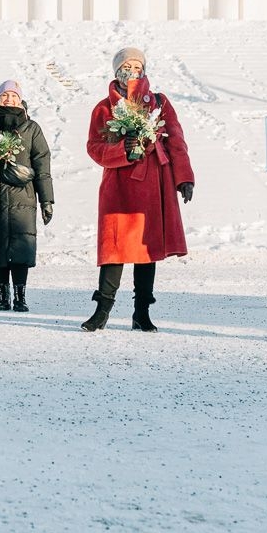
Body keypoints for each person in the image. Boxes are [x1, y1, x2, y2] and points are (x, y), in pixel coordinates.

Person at [81, 48, 196, 332]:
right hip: (118, 186)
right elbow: (94, 147)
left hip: (154, 183)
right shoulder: (104, 107)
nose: (132, 70)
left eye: (137, 65)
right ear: (116, 70)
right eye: (126, 65)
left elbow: (176, 142)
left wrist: (184, 178)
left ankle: (141, 313)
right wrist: (124, 150)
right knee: (114, 248)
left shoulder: (159, 102)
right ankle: (102, 310)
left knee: (147, 248)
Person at [0, 80, 54, 313]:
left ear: (20, 100)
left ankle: (20, 297)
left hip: (22, 197)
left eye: (13, 96)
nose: (9, 100)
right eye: (5, 96)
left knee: (20, 245)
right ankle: (3, 296)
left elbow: (42, 164)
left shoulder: (31, 128)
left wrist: (47, 200)